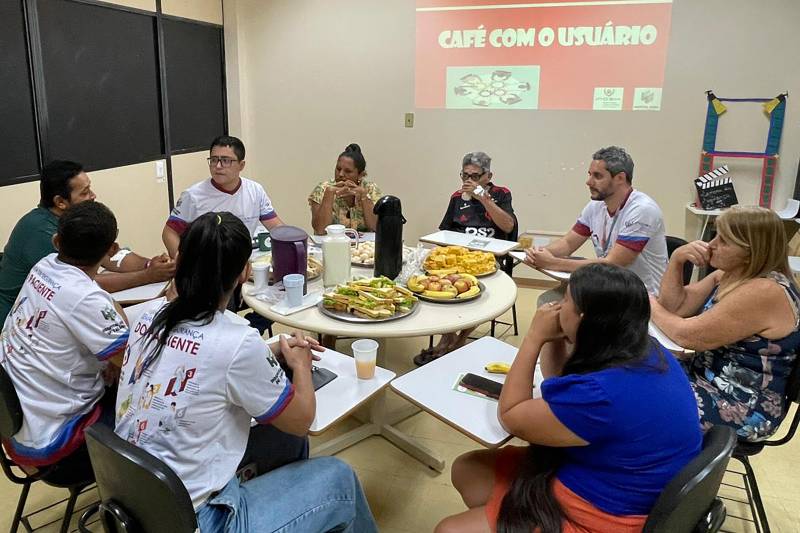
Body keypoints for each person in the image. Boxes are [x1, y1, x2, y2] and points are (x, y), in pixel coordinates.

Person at [118, 212, 377, 532]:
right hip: (201, 519)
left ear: (181, 259)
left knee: (280, 438)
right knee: (340, 479)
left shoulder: (148, 316)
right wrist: (302, 366)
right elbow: (301, 420)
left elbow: (202, 358)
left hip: (139, 500)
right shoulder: (237, 340)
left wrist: (269, 350)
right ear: (244, 273)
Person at [436, 264, 702, 533]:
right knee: (467, 469)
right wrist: (556, 336)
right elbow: (558, 381)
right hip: (612, 478)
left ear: (584, 319)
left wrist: (534, 338)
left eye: (566, 301)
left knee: (448, 529)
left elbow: (511, 416)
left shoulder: (600, 396)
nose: (557, 305)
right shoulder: (642, 348)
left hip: (606, 514)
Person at [650, 206, 800, 442]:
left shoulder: (766, 290)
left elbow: (685, 335)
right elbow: (676, 308)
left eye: (724, 240)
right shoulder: (732, 274)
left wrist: (647, 301)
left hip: (741, 403)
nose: (711, 244)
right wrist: (678, 259)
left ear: (750, 252)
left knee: (637, 400)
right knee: (629, 368)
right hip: (706, 377)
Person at [0, 202, 129, 472]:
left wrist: (112, 360)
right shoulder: (84, 297)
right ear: (111, 251)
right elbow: (132, 363)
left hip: (14, 426)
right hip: (57, 446)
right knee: (154, 407)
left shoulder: (44, 266)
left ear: (56, 241)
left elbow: (99, 303)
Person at [0, 160, 175, 324]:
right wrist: (147, 276)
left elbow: (110, 255)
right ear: (60, 202)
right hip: (18, 318)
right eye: (84, 192)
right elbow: (82, 284)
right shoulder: (40, 230)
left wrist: (149, 264)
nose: (93, 196)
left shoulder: (77, 220)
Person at [524, 146, 667, 301]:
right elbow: (567, 243)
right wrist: (538, 253)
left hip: (643, 297)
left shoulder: (642, 210)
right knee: (551, 303)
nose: (588, 182)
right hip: (612, 285)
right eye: (589, 174)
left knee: (556, 308)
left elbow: (613, 264)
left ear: (620, 178)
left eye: (597, 176)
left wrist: (553, 263)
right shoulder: (596, 205)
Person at [415, 151, 516, 366]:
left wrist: (484, 198)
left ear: (488, 176)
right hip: (459, 257)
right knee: (441, 283)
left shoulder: (501, 194)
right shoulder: (456, 197)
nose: (468, 181)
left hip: (488, 259)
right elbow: (444, 233)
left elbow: (508, 226)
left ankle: (458, 341)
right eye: (464, 176)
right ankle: (448, 337)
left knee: (475, 287)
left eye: (475, 176)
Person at [162, 135, 284, 258]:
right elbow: (169, 232)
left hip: (241, 261)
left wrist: (293, 243)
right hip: (206, 264)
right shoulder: (193, 195)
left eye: (226, 160)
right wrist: (182, 261)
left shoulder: (255, 190)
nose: (218, 166)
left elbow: (277, 228)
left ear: (241, 165)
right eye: (214, 160)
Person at [309, 143, 383, 235]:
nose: (341, 174)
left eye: (348, 171)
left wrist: (364, 197)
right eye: (338, 169)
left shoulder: (371, 189)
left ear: (360, 175)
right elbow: (320, 230)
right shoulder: (323, 189)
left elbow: (376, 228)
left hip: (364, 246)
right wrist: (329, 195)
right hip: (332, 244)